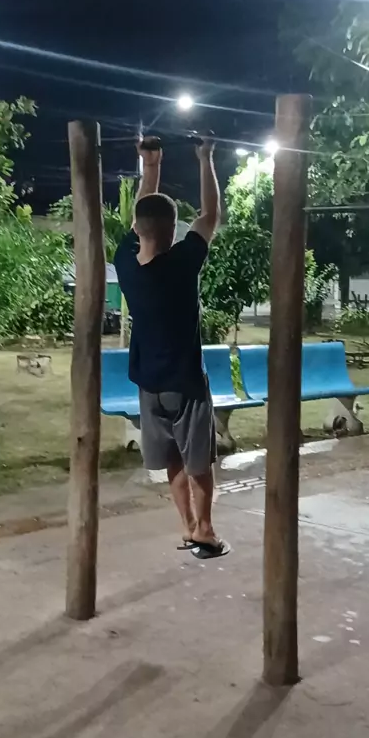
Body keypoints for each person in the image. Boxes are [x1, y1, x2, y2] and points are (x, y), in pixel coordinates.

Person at [114, 135, 229, 559]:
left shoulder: (125, 263)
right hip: (186, 383)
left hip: (149, 386)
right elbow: (210, 215)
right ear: (170, 230)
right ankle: (206, 529)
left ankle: (187, 527)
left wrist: (151, 167)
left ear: (139, 228)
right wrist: (205, 158)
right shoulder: (182, 264)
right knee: (198, 460)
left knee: (173, 460)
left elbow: (144, 215)